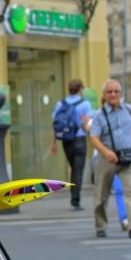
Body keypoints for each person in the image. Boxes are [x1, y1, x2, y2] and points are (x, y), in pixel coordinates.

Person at [88, 79, 131, 239]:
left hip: (127, 156)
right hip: (107, 159)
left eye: (116, 91)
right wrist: (106, 152)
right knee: (101, 195)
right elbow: (93, 138)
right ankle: (100, 225)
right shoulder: (99, 115)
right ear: (105, 95)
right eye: (109, 92)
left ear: (120, 93)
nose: (113, 94)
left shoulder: (129, 110)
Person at [50, 79, 93, 211]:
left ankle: (74, 197)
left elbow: (55, 124)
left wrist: (54, 143)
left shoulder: (60, 104)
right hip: (79, 139)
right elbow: (89, 125)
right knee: (78, 170)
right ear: (80, 89)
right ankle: (75, 201)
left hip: (66, 141)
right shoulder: (85, 104)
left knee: (73, 168)